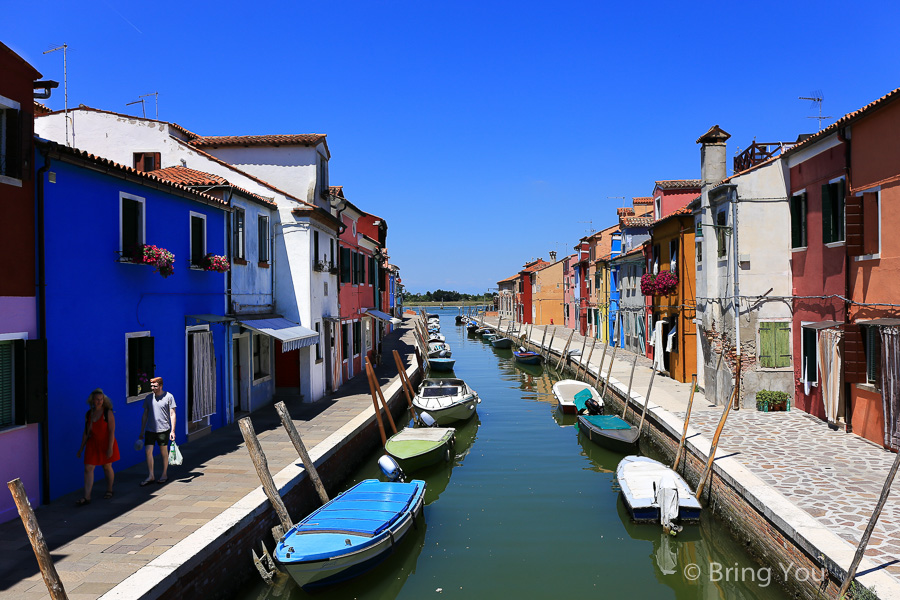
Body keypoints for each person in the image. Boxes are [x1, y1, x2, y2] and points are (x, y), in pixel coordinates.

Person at [76, 389, 120, 505]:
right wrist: (81, 448)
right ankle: (87, 496)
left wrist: (110, 447)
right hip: (93, 444)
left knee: (107, 466)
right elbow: (86, 432)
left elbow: (111, 431)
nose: (99, 401)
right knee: (88, 468)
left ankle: (109, 489)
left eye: (101, 399)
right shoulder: (89, 414)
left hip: (106, 443)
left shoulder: (108, 413)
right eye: (97, 399)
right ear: (92, 400)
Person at [139, 376, 177, 485]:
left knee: (163, 452)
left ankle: (164, 473)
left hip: (163, 429)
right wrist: (142, 430)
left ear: (161, 386)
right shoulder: (148, 398)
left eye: (155, 386)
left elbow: (172, 414)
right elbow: (145, 414)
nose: (153, 388)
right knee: (148, 451)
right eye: (151, 386)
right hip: (150, 429)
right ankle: (151, 475)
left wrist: (172, 431)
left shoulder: (169, 397)